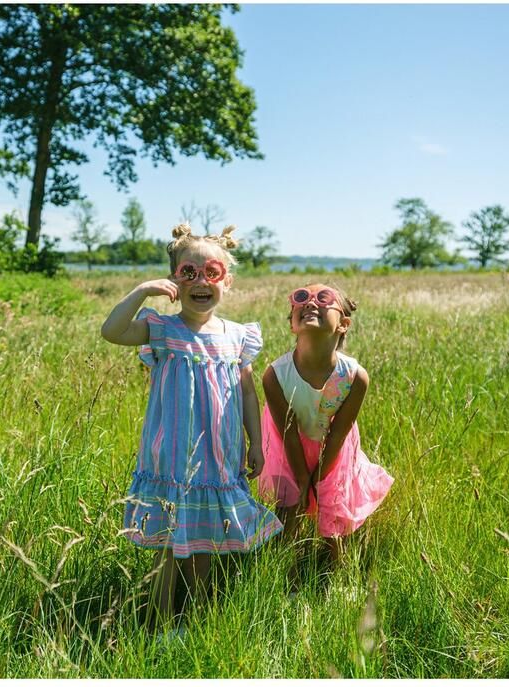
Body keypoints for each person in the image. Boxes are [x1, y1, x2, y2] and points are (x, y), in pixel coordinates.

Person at [100, 223, 282, 631]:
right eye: (189, 272)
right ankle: (158, 620)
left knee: (204, 545)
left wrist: (255, 442)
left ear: (226, 281)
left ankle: (193, 620)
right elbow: (111, 331)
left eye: (211, 273)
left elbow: (247, 393)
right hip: (172, 459)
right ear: (174, 280)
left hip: (219, 458)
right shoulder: (163, 329)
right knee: (168, 546)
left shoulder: (237, 336)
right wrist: (142, 291)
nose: (201, 282)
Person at [258, 283, 393, 573]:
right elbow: (288, 432)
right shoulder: (275, 375)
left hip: (333, 448)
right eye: (301, 298)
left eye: (323, 298)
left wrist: (319, 474)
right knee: (289, 505)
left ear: (344, 324)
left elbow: (339, 433)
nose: (310, 303)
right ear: (292, 324)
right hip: (286, 446)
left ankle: (337, 578)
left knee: (333, 504)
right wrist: (303, 477)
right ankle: (285, 575)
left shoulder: (354, 376)